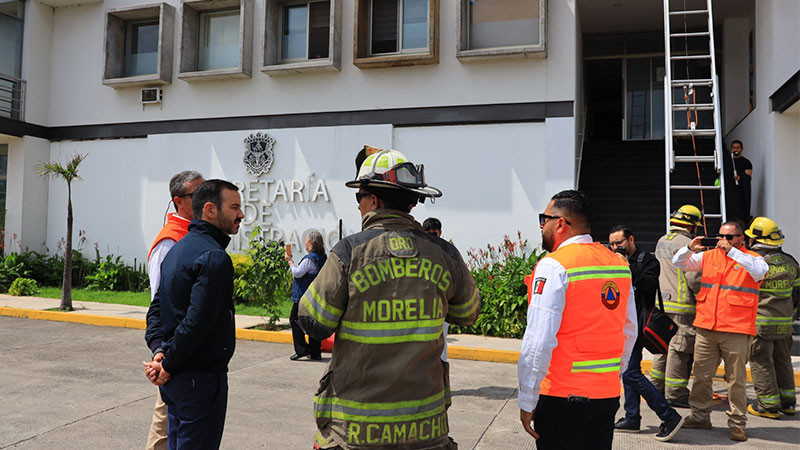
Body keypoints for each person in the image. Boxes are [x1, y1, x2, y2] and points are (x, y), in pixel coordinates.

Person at [297, 146, 480, 449]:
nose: (358, 206)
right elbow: (468, 312)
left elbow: (314, 323)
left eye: (359, 197)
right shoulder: (445, 253)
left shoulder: (349, 252)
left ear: (374, 200)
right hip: (427, 429)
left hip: (355, 432)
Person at [517, 190, 637, 450]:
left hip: (561, 399)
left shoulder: (554, 265)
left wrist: (527, 399)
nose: (541, 226)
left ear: (560, 223)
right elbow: (630, 332)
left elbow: (539, 341)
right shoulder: (618, 264)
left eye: (544, 219)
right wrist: (612, 377)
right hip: (606, 397)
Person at [144, 179, 244, 449]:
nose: (241, 214)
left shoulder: (177, 250)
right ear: (210, 210)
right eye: (234, 207)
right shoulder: (213, 257)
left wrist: (160, 353)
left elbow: (155, 311)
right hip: (199, 382)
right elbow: (196, 323)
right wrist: (166, 363)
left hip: (177, 381)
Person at [672, 221, 768, 441]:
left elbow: (760, 271)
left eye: (729, 237)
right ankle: (699, 416)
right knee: (702, 377)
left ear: (740, 238)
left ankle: (737, 423)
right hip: (707, 327)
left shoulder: (753, 258)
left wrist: (732, 251)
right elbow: (678, 262)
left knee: (736, 380)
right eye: (720, 236)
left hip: (736, 328)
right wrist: (689, 248)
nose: (722, 240)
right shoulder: (710, 256)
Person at [145, 170, 204, 450]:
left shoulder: (195, 235)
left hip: (189, 350)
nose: (207, 200)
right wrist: (164, 354)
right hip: (174, 349)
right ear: (179, 201)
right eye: (199, 195)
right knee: (165, 427)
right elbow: (161, 303)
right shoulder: (170, 240)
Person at [608, 225, 683, 441]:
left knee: (631, 372)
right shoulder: (611, 260)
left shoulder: (647, 261)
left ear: (630, 240)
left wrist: (626, 268)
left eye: (619, 243)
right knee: (628, 370)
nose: (616, 248)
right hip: (619, 325)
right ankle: (632, 417)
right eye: (612, 244)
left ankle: (669, 415)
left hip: (638, 325)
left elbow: (649, 287)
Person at [744, 217, 799, 418]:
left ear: (755, 239)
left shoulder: (756, 263)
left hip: (761, 323)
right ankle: (788, 403)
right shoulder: (791, 262)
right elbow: (796, 294)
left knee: (761, 361)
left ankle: (768, 406)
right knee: (783, 360)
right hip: (785, 324)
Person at [651, 205, 703, 408]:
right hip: (683, 306)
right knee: (679, 349)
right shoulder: (689, 244)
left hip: (661, 303)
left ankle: (655, 388)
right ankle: (675, 393)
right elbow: (694, 277)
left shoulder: (663, 240)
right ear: (691, 224)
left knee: (661, 347)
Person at [286, 230, 327, 361]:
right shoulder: (323, 257)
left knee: (294, 319)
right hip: (315, 295)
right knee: (313, 323)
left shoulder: (310, 259)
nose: (305, 242)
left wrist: (290, 262)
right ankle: (315, 352)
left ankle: (302, 349)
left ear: (311, 243)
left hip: (303, 296)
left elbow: (297, 273)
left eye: (307, 240)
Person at [423, 217, 449, 361]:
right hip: (423, 304)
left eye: (434, 233)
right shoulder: (419, 249)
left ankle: (442, 380)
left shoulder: (447, 252)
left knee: (441, 345)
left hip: (441, 304)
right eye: (428, 233)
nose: (432, 236)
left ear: (440, 233)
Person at [730, 140, 753, 222]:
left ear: (742, 149)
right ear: (731, 149)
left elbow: (748, 177)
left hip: (742, 193)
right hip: (730, 192)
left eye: (738, 148)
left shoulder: (746, 162)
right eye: (734, 148)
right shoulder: (728, 162)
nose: (736, 150)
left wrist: (740, 177)